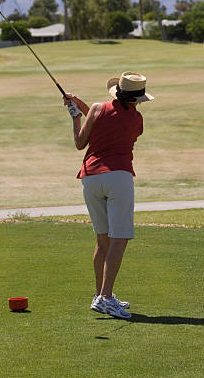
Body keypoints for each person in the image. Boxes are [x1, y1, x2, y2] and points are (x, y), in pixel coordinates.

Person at [64, 71, 154, 320]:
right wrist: (79, 106)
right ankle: (105, 298)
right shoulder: (137, 121)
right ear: (137, 99)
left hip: (90, 178)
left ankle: (100, 296)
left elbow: (81, 141)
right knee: (119, 239)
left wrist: (75, 115)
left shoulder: (95, 108)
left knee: (102, 241)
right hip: (118, 177)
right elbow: (112, 122)